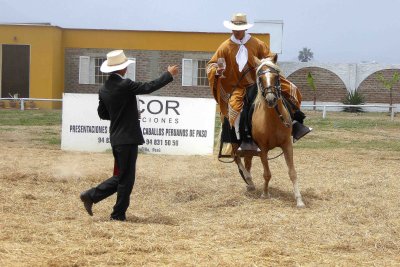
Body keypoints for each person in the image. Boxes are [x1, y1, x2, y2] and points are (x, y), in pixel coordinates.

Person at [80, 50, 178, 221]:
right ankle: (107, 207)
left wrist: (125, 114)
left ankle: (98, 200)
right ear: (123, 68)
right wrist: (168, 75)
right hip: (128, 139)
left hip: (116, 138)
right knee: (125, 179)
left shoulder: (103, 89)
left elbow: (103, 114)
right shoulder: (125, 85)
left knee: (122, 176)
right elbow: (148, 87)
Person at [207, 13, 311, 145]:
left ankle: (296, 122)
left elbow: (269, 57)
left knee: (291, 89)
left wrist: (264, 63)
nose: (237, 31)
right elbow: (211, 64)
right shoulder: (224, 47)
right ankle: (241, 139)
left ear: (245, 29)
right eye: (234, 29)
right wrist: (216, 70)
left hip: (260, 81)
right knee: (234, 107)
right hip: (237, 86)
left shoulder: (256, 43)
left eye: (239, 29)